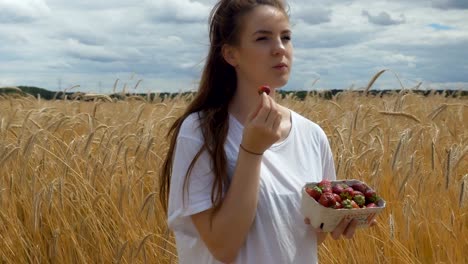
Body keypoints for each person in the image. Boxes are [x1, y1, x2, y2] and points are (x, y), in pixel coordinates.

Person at [159, 0, 362, 263]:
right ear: (231, 55)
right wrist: (252, 151)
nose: (280, 48)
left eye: (286, 37)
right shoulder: (200, 132)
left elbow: (306, 236)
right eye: (263, 38)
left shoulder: (312, 135)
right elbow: (223, 247)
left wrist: (333, 222)